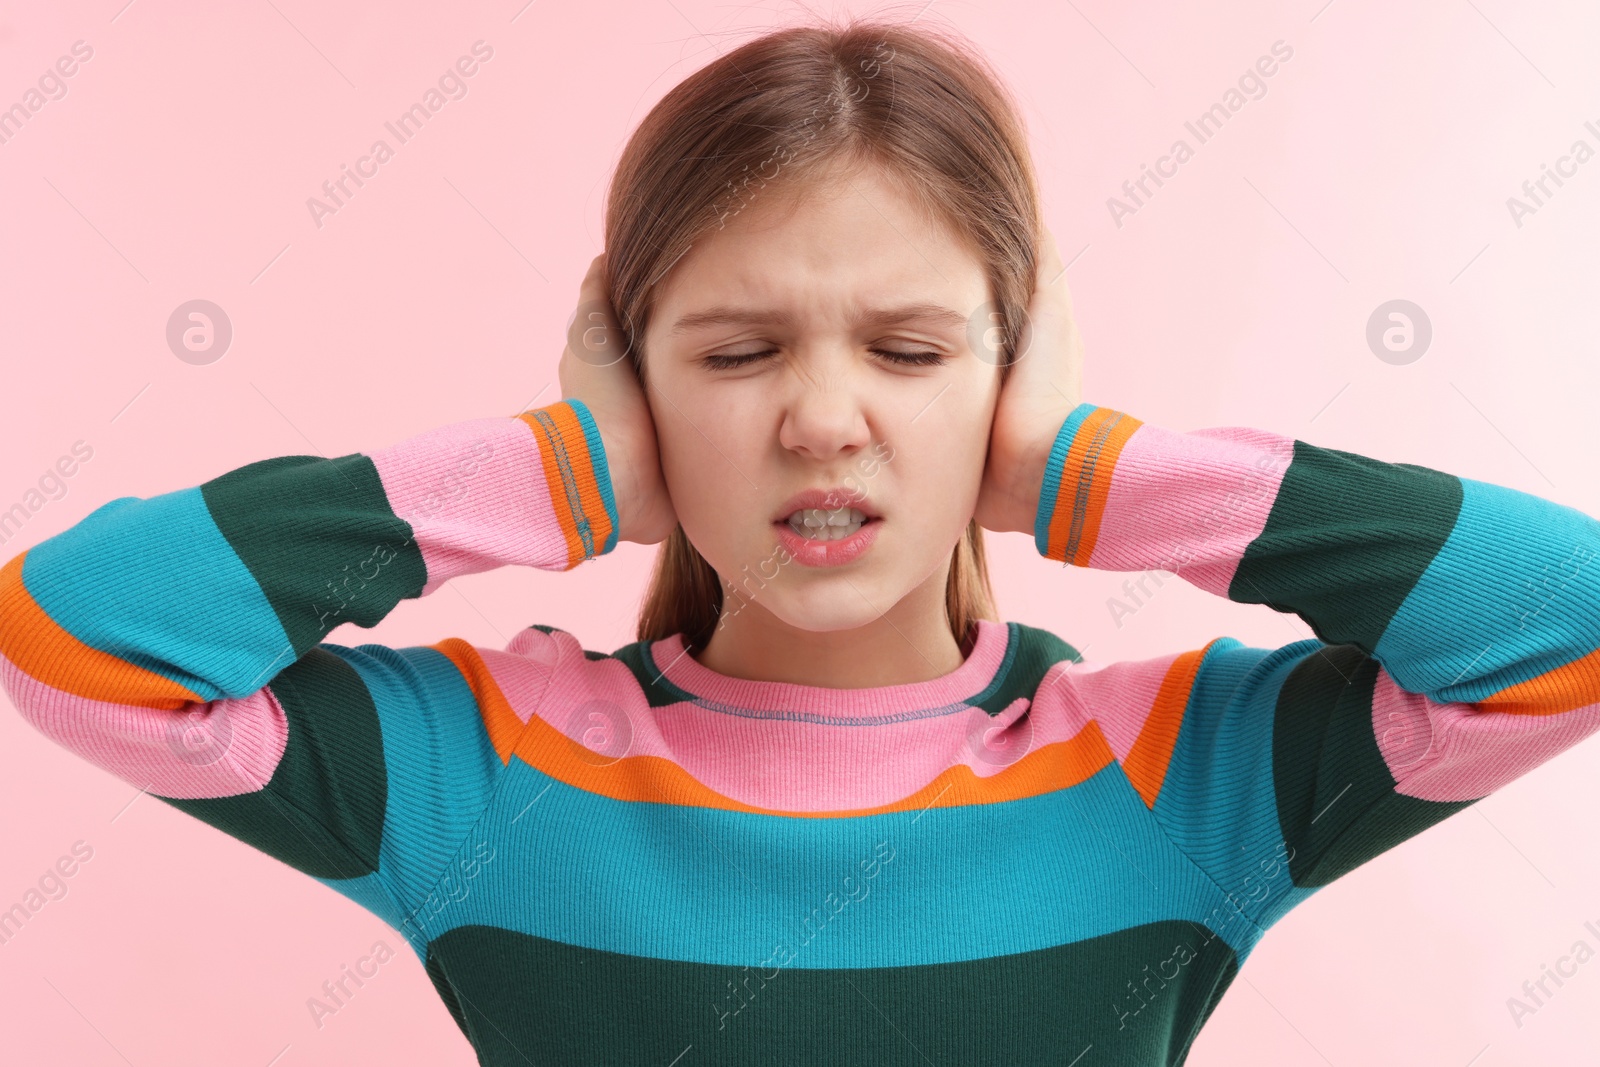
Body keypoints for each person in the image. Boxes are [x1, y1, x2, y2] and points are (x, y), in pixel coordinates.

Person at [3, 17, 1598, 1067]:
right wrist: (561, 472)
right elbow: (75, 636)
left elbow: (1565, 624)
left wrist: (1078, 473)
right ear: (633, 388)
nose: (823, 421)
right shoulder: (492, 768)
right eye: (735, 352)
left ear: (1009, 371)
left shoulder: (1176, 773)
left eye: (908, 354)